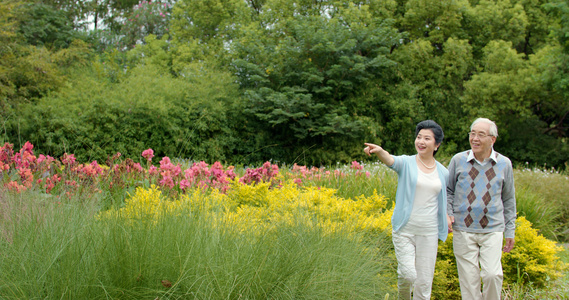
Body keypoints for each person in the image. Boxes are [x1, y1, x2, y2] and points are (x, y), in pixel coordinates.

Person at [364, 120, 449, 300]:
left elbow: (448, 198)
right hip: (405, 230)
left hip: (429, 232)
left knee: (424, 283)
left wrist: (449, 216)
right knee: (408, 274)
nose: (421, 142)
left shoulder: (443, 172)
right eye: (419, 137)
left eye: (427, 138)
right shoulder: (407, 163)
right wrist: (379, 151)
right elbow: (391, 160)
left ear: (437, 144)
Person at [446, 118, 516, 300]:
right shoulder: (458, 160)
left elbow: (508, 199)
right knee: (469, 282)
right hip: (463, 229)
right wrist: (448, 214)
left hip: (493, 229)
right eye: (472, 133)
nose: (475, 138)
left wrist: (510, 230)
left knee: (493, 275)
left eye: (481, 134)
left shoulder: (504, 164)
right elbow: (448, 190)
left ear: (492, 139)